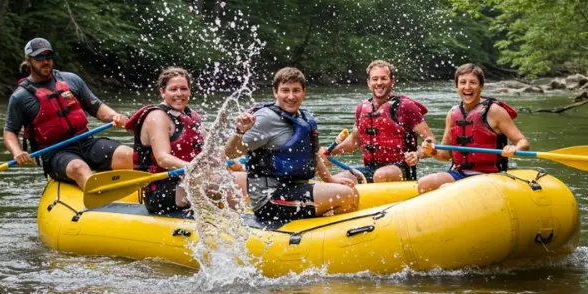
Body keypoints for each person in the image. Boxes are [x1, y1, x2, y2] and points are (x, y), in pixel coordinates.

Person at [225, 67, 358, 222]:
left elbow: (312, 155)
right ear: (275, 92)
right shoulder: (264, 119)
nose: (291, 96)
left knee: (351, 192)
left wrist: (331, 180)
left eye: (296, 90)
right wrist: (240, 132)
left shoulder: (303, 118)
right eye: (285, 90)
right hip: (270, 199)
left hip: (294, 190)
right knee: (346, 196)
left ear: (304, 92)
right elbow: (231, 153)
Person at [3, 38, 132, 189]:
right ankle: (100, 203)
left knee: (128, 154)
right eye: (39, 57)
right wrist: (17, 151)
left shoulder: (71, 80)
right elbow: (10, 131)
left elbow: (96, 107)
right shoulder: (20, 97)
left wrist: (114, 116)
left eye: (48, 56)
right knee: (79, 167)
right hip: (55, 153)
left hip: (85, 142)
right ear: (28, 60)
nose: (45, 61)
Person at [125, 67, 245, 214]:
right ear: (163, 92)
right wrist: (197, 169)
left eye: (184, 89)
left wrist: (239, 133)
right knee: (218, 182)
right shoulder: (157, 117)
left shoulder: (191, 116)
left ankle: (241, 219)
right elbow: (163, 158)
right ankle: (239, 223)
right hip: (162, 190)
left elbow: (213, 153)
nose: (179, 94)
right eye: (173, 89)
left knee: (242, 178)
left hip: (189, 180)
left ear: (189, 91)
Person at [417, 63, 529, 194]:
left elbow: (523, 142)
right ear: (456, 86)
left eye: (473, 83)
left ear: (481, 86)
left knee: (452, 189)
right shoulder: (452, 114)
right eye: (463, 82)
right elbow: (446, 156)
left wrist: (514, 148)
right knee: (425, 184)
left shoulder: (495, 111)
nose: (467, 87)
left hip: (490, 176)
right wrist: (433, 152)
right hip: (460, 174)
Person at [319, 60, 435, 183]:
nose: (379, 83)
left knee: (380, 175)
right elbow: (354, 140)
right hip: (369, 169)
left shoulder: (406, 106)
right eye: (375, 79)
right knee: (333, 181)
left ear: (392, 81)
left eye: (384, 78)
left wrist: (417, 154)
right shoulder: (362, 109)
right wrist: (331, 152)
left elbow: (430, 139)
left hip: (402, 168)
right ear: (369, 83)